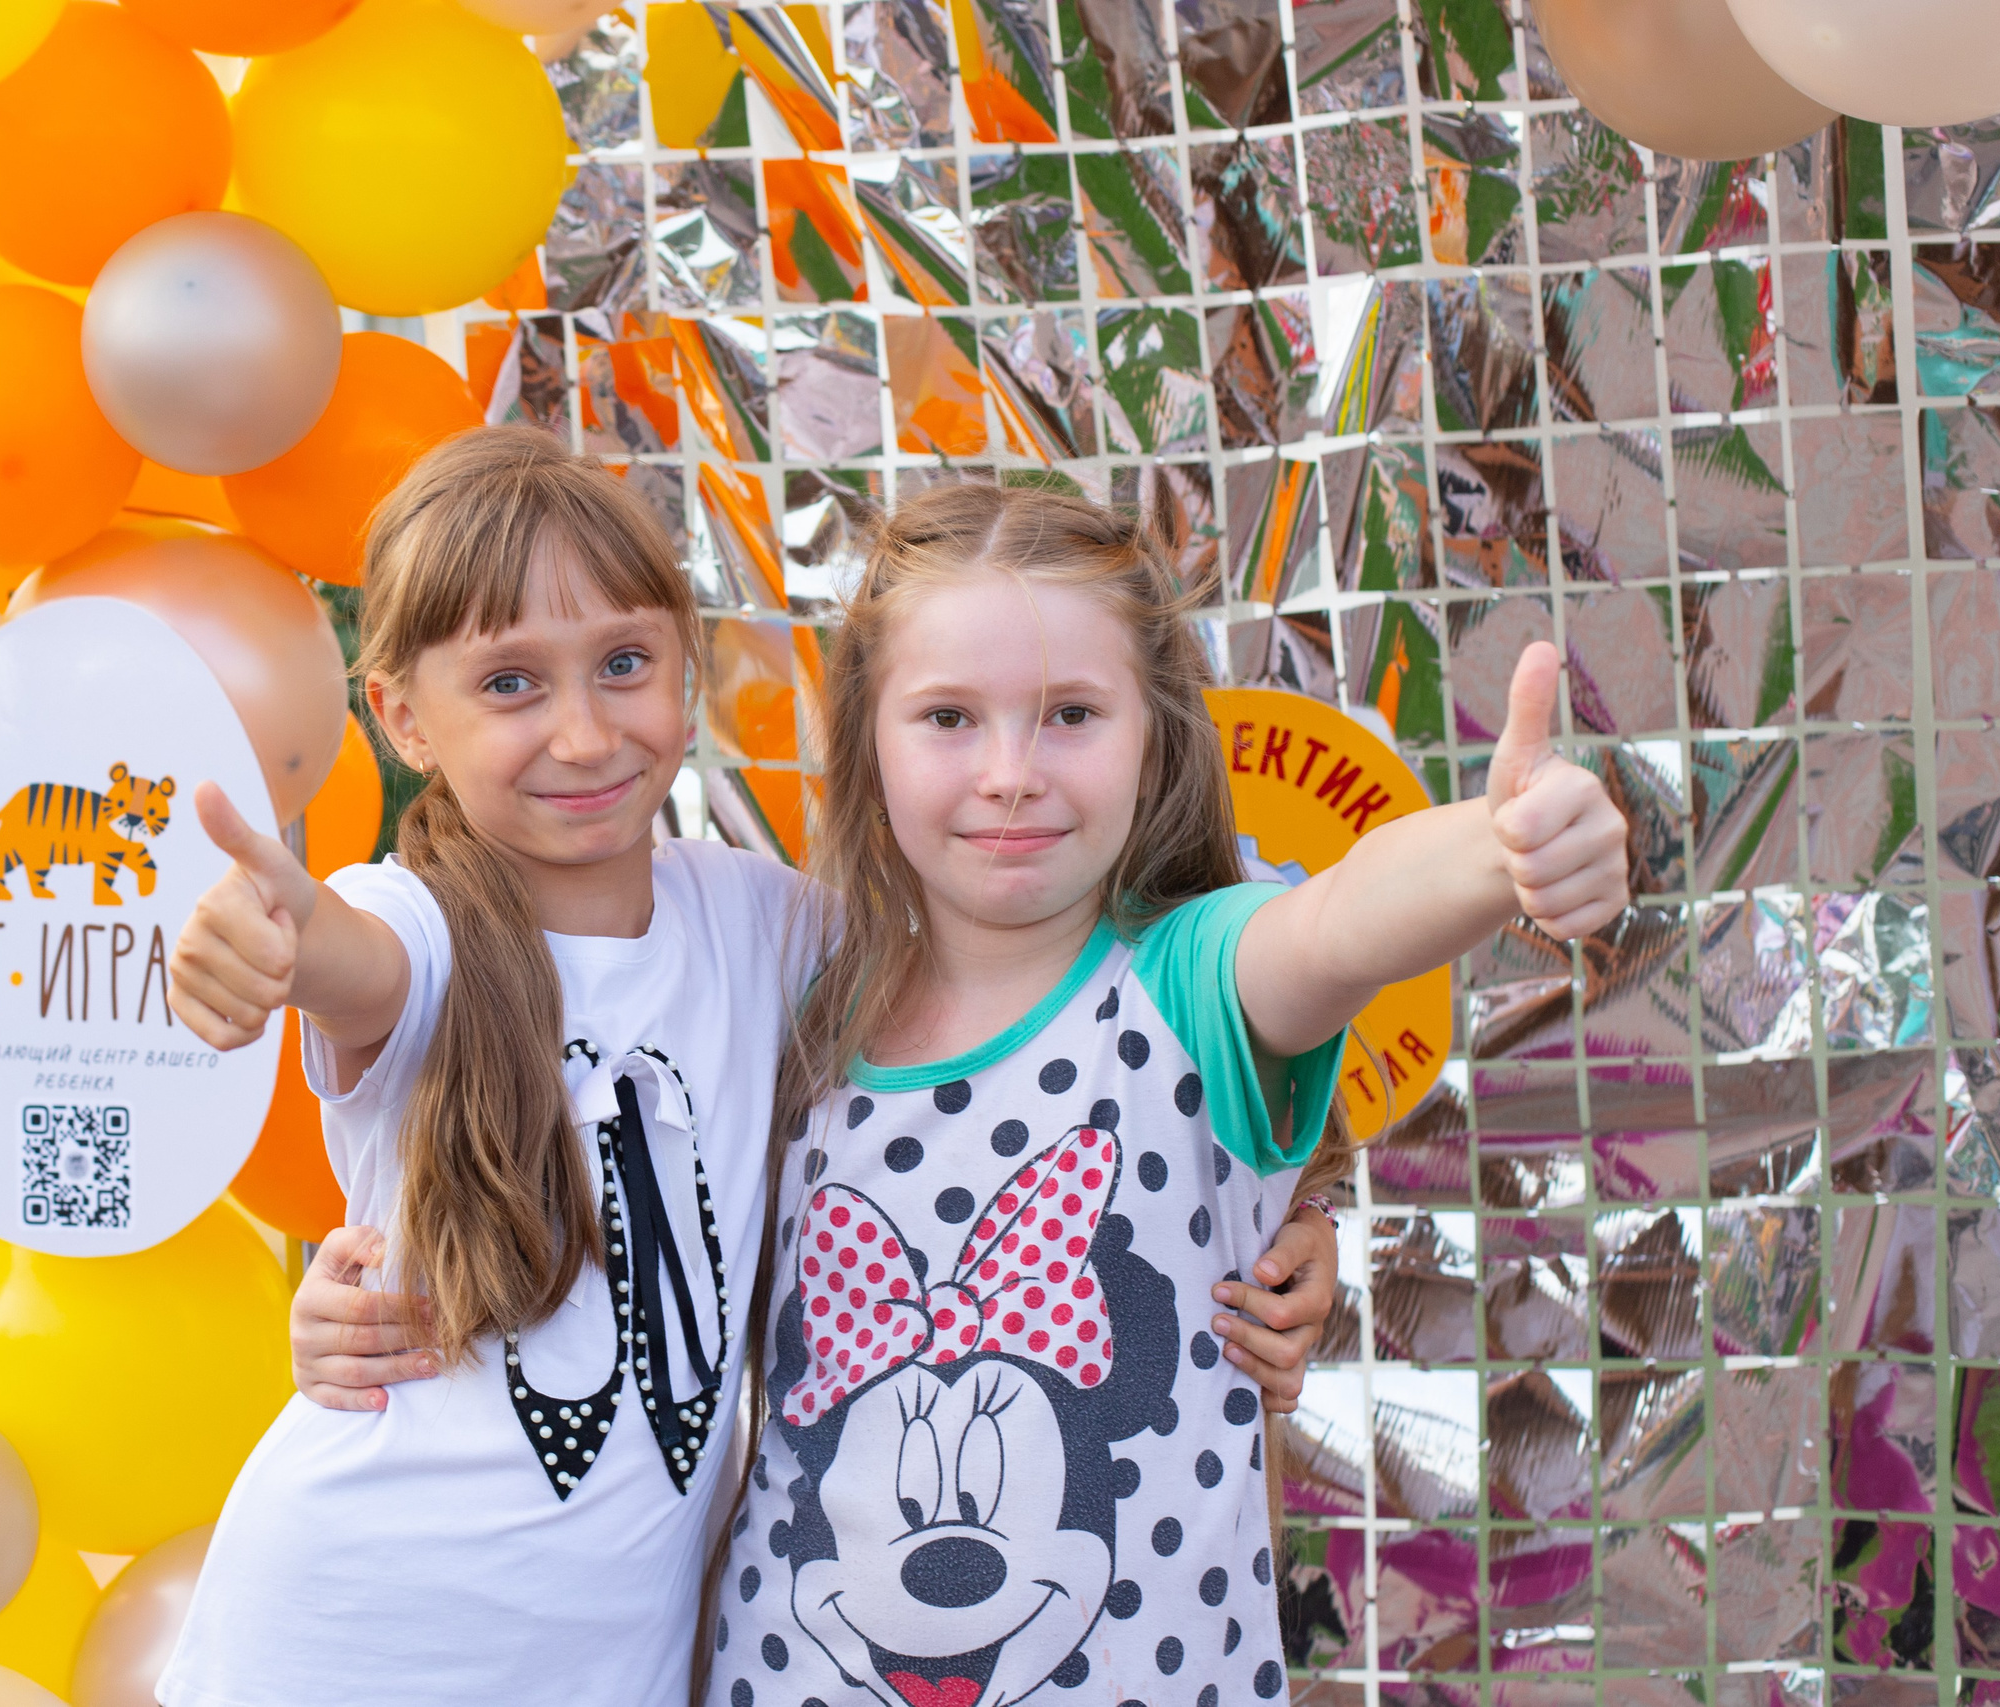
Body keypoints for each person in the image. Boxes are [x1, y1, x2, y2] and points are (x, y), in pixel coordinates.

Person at [152, 429, 1342, 1707]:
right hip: (346, 1638)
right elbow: (357, 963)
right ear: (400, 718)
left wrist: (1293, 1206)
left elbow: (1039, 1014)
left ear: (686, 662)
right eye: (508, 685)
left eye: (623, 665)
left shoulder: (766, 927)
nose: (583, 732)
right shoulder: (417, 922)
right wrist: (272, 943)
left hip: (615, 1667)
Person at [692, 482, 1629, 1707]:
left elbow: (1339, 922)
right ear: (869, 738)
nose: (1010, 773)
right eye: (948, 719)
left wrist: (1500, 849)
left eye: (1071, 714)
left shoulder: (1190, 981)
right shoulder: (793, 993)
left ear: (1155, 733)